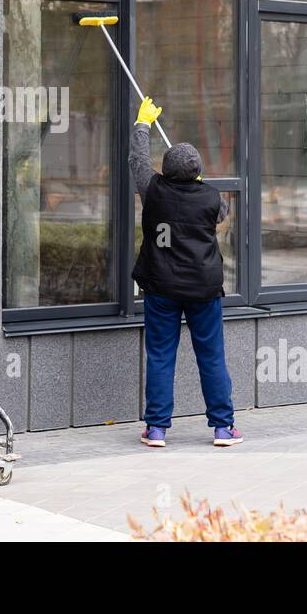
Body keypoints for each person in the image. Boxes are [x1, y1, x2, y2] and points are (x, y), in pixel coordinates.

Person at [129, 96, 242, 448]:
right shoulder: (211, 198)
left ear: (166, 169)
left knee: (161, 355)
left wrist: (143, 123)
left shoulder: (152, 189)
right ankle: (223, 428)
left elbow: (137, 160)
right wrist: (202, 185)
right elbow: (222, 215)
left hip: (161, 288)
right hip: (203, 290)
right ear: (196, 172)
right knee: (211, 356)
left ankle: (157, 429)